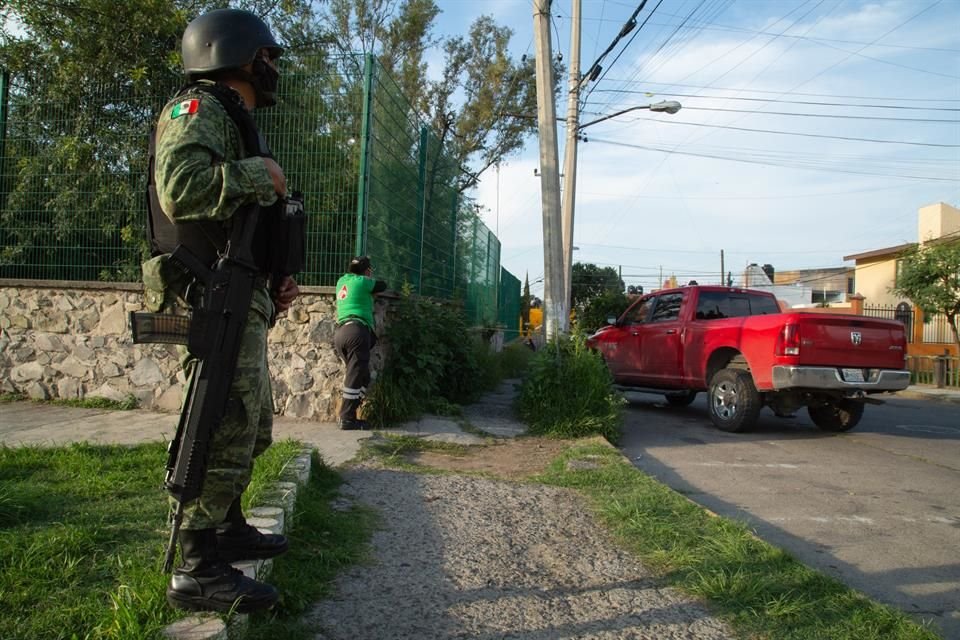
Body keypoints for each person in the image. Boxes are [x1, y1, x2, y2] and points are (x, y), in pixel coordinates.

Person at [141, 8, 299, 614]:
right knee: (221, 418)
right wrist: (262, 174)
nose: (274, 67)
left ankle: (228, 525)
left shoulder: (233, 119)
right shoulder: (197, 109)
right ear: (239, 54)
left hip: (240, 291)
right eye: (269, 55)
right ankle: (197, 565)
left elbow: (236, 219)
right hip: (209, 293)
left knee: (249, 423)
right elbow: (180, 188)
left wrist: (274, 277)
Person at [333, 256, 387, 430]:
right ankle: (347, 418)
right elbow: (382, 285)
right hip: (357, 332)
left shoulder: (342, 280)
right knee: (355, 377)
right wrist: (369, 278)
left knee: (362, 376)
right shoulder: (364, 282)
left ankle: (351, 412)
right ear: (367, 271)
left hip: (341, 333)